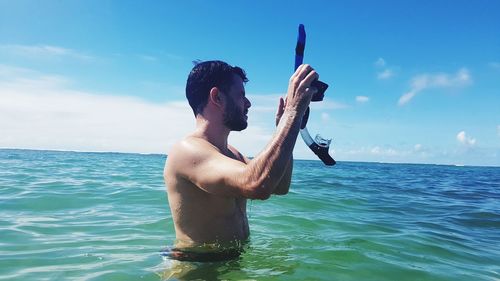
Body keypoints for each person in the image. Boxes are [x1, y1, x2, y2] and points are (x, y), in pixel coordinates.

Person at [163, 60, 319, 262]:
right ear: (217, 97)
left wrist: (285, 125)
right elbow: (257, 184)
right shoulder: (187, 151)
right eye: (241, 96)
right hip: (195, 269)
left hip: (228, 265)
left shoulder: (231, 154)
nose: (248, 104)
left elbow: (279, 186)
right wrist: (292, 112)